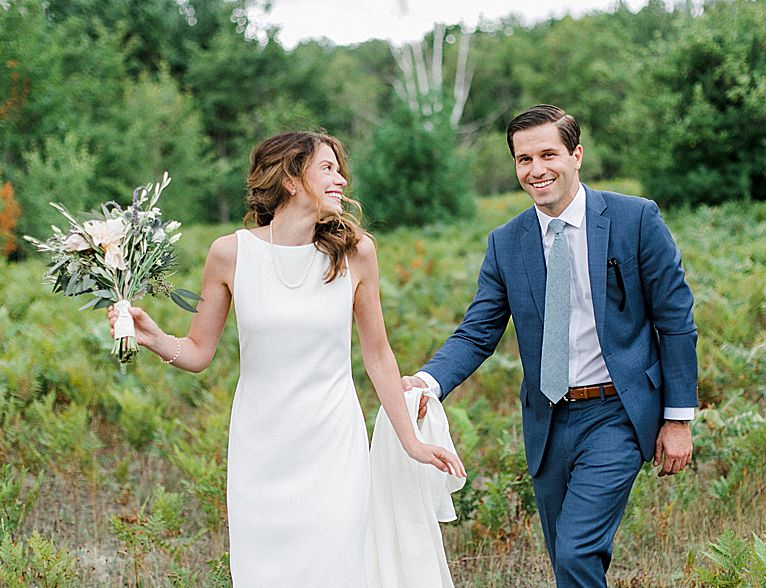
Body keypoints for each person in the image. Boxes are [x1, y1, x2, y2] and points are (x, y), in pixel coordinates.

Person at [108, 131, 465, 586]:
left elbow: (377, 355)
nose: (340, 180)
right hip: (261, 449)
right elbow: (198, 352)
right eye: (327, 169)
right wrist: (154, 337)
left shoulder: (356, 254)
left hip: (334, 446)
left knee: (338, 570)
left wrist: (411, 442)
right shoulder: (229, 253)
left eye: (340, 169)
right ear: (293, 178)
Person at [401, 104, 698, 587]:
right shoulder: (506, 242)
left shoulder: (635, 219)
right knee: (565, 558)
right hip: (548, 420)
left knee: (579, 549)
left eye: (548, 155)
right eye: (523, 160)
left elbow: (675, 321)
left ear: (575, 155)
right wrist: (427, 383)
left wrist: (678, 418)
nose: (536, 170)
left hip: (616, 412)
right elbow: (478, 331)